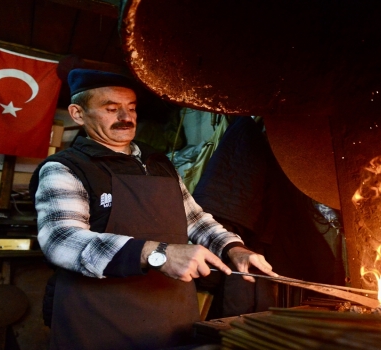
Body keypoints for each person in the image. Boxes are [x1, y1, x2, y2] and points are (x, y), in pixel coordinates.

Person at [29, 69, 277, 350]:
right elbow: (61, 240)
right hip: (100, 320)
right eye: (111, 109)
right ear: (77, 113)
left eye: (131, 108)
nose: (126, 118)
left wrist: (234, 248)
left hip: (171, 315)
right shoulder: (65, 168)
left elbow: (194, 219)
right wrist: (158, 254)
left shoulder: (159, 163)